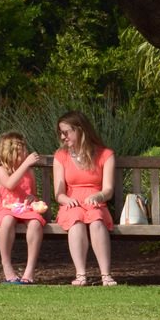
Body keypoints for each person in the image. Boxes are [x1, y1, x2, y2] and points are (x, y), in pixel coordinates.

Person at [53, 110, 117, 286]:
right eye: (61, 133)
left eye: (66, 132)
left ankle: (106, 274)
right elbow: (58, 193)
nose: (63, 137)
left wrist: (99, 195)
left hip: (95, 202)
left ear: (79, 130)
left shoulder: (105, 155)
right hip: (72, 203)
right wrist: (66, 200)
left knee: (96, 220)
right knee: (75, 220)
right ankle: (81, 274)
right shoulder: (61, 156)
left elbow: (109, 189)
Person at [0, 130, 48, 284]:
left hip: (26, 209)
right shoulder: (1, 169)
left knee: (36, 223)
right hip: (7, 208)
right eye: (21, 150)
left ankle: (29, 271)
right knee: (7, 221)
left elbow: (33, 193)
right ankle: (7, 266)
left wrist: (32, 198)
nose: (25, 153)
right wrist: (26, 164)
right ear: (10, 153)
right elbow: (10, 184)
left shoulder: (28, 170)